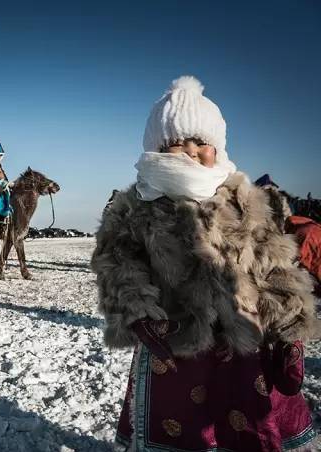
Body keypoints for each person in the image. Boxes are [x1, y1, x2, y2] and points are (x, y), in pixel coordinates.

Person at [91, 76, 319, 451]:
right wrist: (136, 309)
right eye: (178, 142)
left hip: (245, 343)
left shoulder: (244, 201)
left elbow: (274, 265)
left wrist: (290, 324)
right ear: (157, 148)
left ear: (218, 147)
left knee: (244, 426)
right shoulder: (137, 206)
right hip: (173, 345)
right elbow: (115, 262)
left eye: (202, 142)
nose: (191, 151)